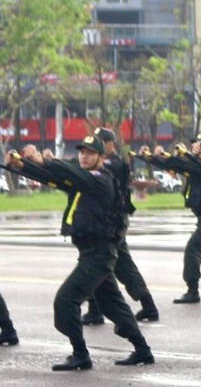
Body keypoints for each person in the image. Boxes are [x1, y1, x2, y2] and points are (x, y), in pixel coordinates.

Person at [7, 138, 154, 370]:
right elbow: (54, 178)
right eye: (82, 153)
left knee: (66, 300)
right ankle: (143, 351)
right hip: (94, 253)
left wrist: (42, 158)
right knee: (113, 305)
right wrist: (23, 166)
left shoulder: (99, 180)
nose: (84, 156)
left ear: (101, 157)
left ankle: (80, 354)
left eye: (90, 153)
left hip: (98, 254)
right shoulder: (85, 180)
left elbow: (70, 173)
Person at [81, 127, 160, 325]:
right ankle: (146, 306)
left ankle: (98, 310)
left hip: (113, 221)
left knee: (103, 263)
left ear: (110, 144)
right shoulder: (109, 162)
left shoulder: (114, 163)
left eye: (100, 141)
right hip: (109, 221)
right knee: (116, 264)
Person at [152, 135, 201, 304]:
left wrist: (177, 157)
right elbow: (177, 166)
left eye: (200, 145)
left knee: (193, 250)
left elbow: (191, 165)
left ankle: (192, 290)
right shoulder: (195, 164)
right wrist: (157, 157)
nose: (195, 147)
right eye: (194, 144)